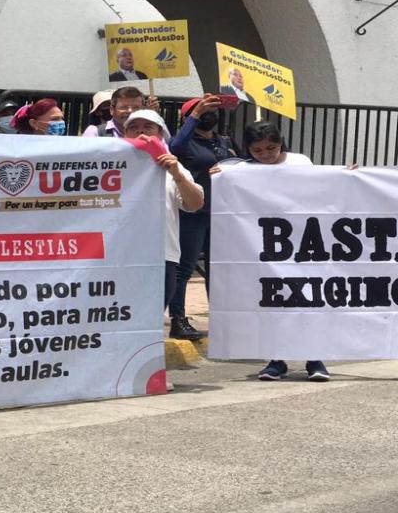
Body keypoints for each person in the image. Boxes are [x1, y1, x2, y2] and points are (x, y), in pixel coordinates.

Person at [210, 121, 329, 381]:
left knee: (308, 298)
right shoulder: (240, 170)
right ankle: (276, 359)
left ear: (280, 143)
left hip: (301, 241)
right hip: (263, 245)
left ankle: (314, 358)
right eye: (258, 150)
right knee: (272, 300)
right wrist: (219, 177)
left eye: (271, 148)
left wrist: (349, 176)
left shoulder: (300, 162)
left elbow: (322, 188)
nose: (265, 155)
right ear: (248, 149)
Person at [167, 94, 239, 340]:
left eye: (212, 110)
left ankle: (220, 319)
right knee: (185, 268)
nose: (209, 114)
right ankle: (178, 319)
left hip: (222, 214)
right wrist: (196, 115)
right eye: (201, 110)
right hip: (193, 214)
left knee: (217, 270)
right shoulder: (185, 142)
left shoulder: (223, 141)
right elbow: (174, 149)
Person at [122, 110, 204, 313]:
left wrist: (177, 175)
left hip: (162, 255)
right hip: (120, 255)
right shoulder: (111, 164)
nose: (140, 131)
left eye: (148, 127)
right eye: (134, 127)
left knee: (151, 316)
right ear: (125, 134)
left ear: (160, 134)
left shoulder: (173, 167)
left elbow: (195, 204)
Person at [81, 87, 146, 138]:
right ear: (112, 110)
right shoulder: (95, 133)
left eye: (136, 107)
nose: (130, 111)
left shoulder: (149, 133)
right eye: (124, 107)